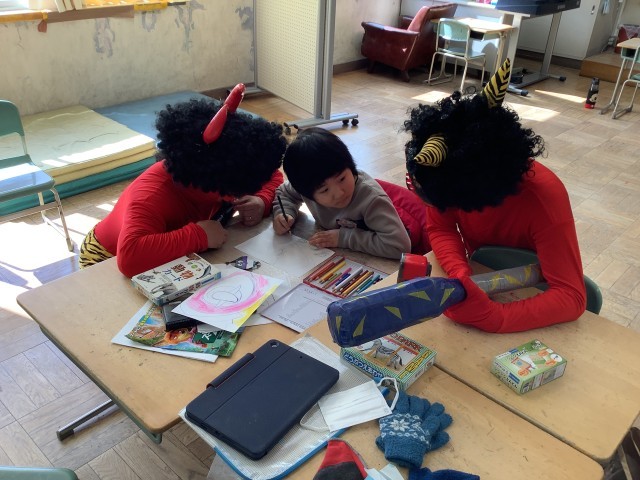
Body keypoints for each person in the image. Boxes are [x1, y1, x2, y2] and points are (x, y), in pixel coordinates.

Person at [404, 59, 586, 333]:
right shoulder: (445, 174)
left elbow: (571, 296)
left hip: (533, 292)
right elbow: (441, 227)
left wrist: (496, 317)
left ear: (477, 190)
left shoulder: (543, 198)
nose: (440, 206)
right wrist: (459, 272)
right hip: (486, 272)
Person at [79, 84, 287, 277]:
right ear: (213, 178)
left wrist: (261, 200)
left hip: (174, 254)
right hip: (106, 256)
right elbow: (130, 258)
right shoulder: (151, 195)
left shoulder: (221, 173)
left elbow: (273, 176)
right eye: (233, 191)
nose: (234, 195)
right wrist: (199, 236)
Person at [273, 127, 430, 260]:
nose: (339, 193)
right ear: (306, 193)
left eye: (342, 178)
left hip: (411, 242)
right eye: (325, 190)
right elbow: (283, 193)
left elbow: (399, 246)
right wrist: (284, 213)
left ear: (351, 167)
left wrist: (343, 238)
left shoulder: (371, 199)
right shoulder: (308, 183)